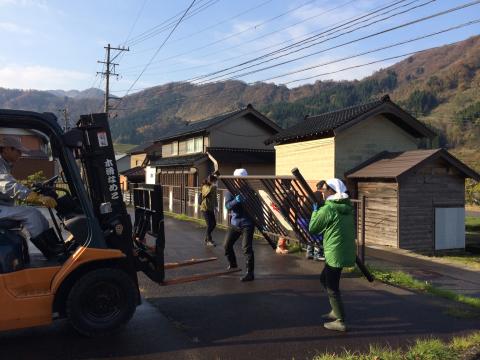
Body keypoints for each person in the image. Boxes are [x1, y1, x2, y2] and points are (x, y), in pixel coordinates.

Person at [0, 136, 62, 259]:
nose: (21, 154)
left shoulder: (5, 164)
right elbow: (6, 185)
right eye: (18, 151)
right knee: (30, 214)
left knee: (37, 214)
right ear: (7, 149)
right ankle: (51, 252)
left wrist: (29, 189)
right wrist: (33, 196)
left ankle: (56, 246)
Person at [309, 178, 356, 332]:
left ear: (331, 191)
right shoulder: (346, 207)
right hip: (344, 250)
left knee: (331, 287)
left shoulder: (328, 209)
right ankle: (335, 310)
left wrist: (315, 211)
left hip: (335, 252)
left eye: (324, 189)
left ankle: (340, 320)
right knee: (324, 279)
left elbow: (313, 228)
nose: (322, 192)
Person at [224, 168, 255, 282]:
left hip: (248, 223)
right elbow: (227, 206)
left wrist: (263, 222)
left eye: (241, 179)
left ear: (245, 180)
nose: (238, 181)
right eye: (236, 179)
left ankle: (250, 273)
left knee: (246, 248)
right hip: (235, 223)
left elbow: (258, 207)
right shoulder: (230, 191)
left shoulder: (251, 191)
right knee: (227, 245)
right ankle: (233, 265)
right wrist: (236, 201)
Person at [306, 180, 325, 261]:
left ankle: (309, 252)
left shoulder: (312, 194)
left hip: (302, 219)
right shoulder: (320, 196)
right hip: (309, 219)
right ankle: (317, 254)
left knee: (312, 234)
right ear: (323, 188)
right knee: (319, 233)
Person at [200, 174, 218, 246]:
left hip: (211, 208)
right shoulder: (205, 187)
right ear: (211, 181)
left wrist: (216, 206)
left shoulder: (213, 187)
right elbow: (206, 193)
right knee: (210, 224)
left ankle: (207, 238)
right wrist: (213, 186)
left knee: (213, 224)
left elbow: (215, 197)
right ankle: (208, 240)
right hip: (205, 208)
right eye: (214, 181)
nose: (215, 183)